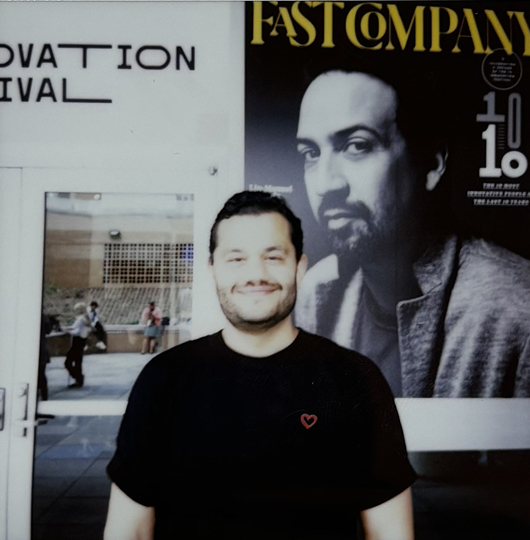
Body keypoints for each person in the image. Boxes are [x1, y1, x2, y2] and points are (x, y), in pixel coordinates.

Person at [104, 191, 416, 540]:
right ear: (213, 269)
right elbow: (129, 529)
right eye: (237, 258)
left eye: (273, 257)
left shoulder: (355, 378)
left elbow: (391, 531)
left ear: (299, 267)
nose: (256, 274)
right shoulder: (163, 379)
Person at [295, 67, 530, 398]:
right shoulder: (314, 293)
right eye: (310, 154)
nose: (325, 184)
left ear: (431, 164)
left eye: (357, 146)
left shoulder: (518, 309)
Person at [64, 302, 91, 388]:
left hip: (77, 342)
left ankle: (78, 377)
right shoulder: (85, 319)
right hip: (82, 342)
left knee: (68, 362)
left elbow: (77, 331)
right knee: (78, 362)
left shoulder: (81, 319)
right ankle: (79, 379)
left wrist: (68, 332)